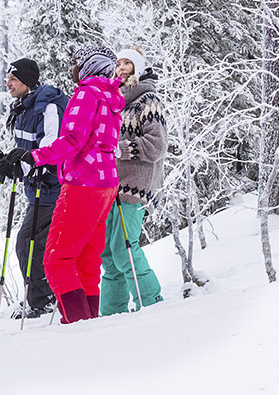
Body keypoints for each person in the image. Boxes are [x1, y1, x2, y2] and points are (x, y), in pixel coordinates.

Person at [4, 46, 124, 324]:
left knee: (56, 259)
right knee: (85, 258)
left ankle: (77, 323)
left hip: (83, 181)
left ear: (88, 66)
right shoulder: (111, 96)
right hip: (106, 183)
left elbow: (72, 141)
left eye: (77, 62)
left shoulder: (86, 94)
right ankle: (89, 321)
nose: (73, 68)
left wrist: (34, 156)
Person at [0, 58, 68, 320]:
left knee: (28, 243)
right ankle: (44, 297)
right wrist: (7, 160)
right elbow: (27, 149)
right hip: (37, 186)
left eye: (13, 79)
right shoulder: (25, 107)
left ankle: (43, 299)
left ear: (26, 80)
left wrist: (23, 167)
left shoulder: (47, 106)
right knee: (32, 244)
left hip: (51, 188)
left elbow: (51, 146)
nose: (8, 83)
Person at [99, 48, 167, 315]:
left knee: (123, 248)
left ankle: (150, 302)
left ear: (138, 68)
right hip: (111, 186)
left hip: (136, 184)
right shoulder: (114, 101)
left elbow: (157, 144)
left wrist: (119, 149)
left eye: (128, 63)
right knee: (108, 253)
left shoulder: (148, 100)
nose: (122, 67)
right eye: (118, 63)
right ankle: (111, 313)